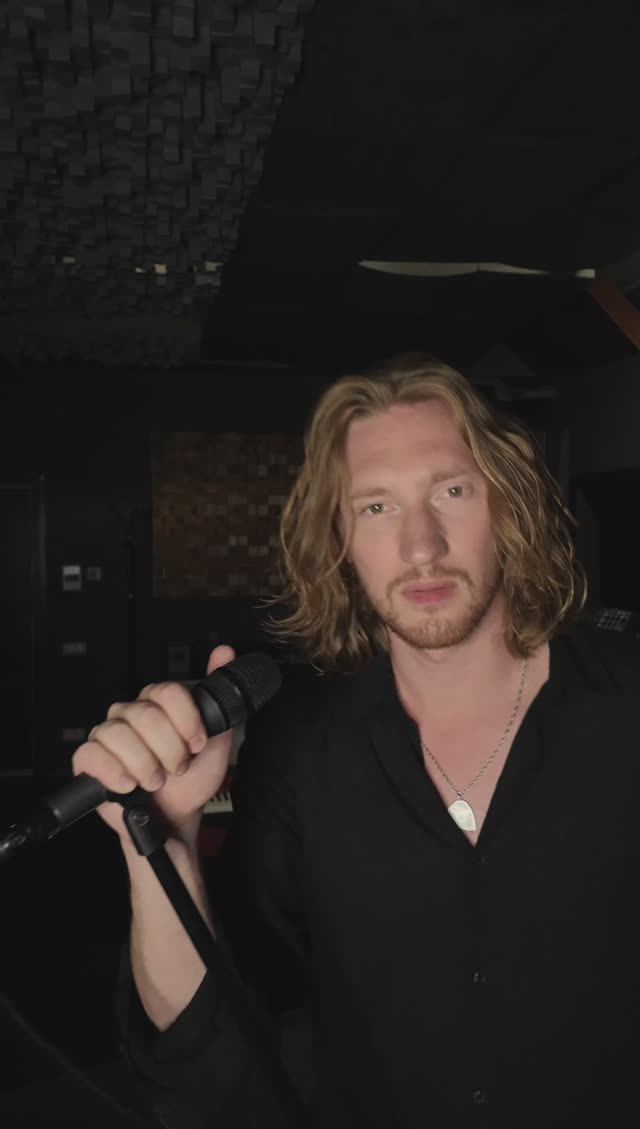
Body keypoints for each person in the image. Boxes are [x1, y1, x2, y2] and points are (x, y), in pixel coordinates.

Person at [73, 353, 640, 1129]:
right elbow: (211, 1041)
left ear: (509, 505)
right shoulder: (303, 748)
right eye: (376, 507)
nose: (421, 545)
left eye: (451, 491)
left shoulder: (626, 699)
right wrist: (164, 844)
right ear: (339, 538)